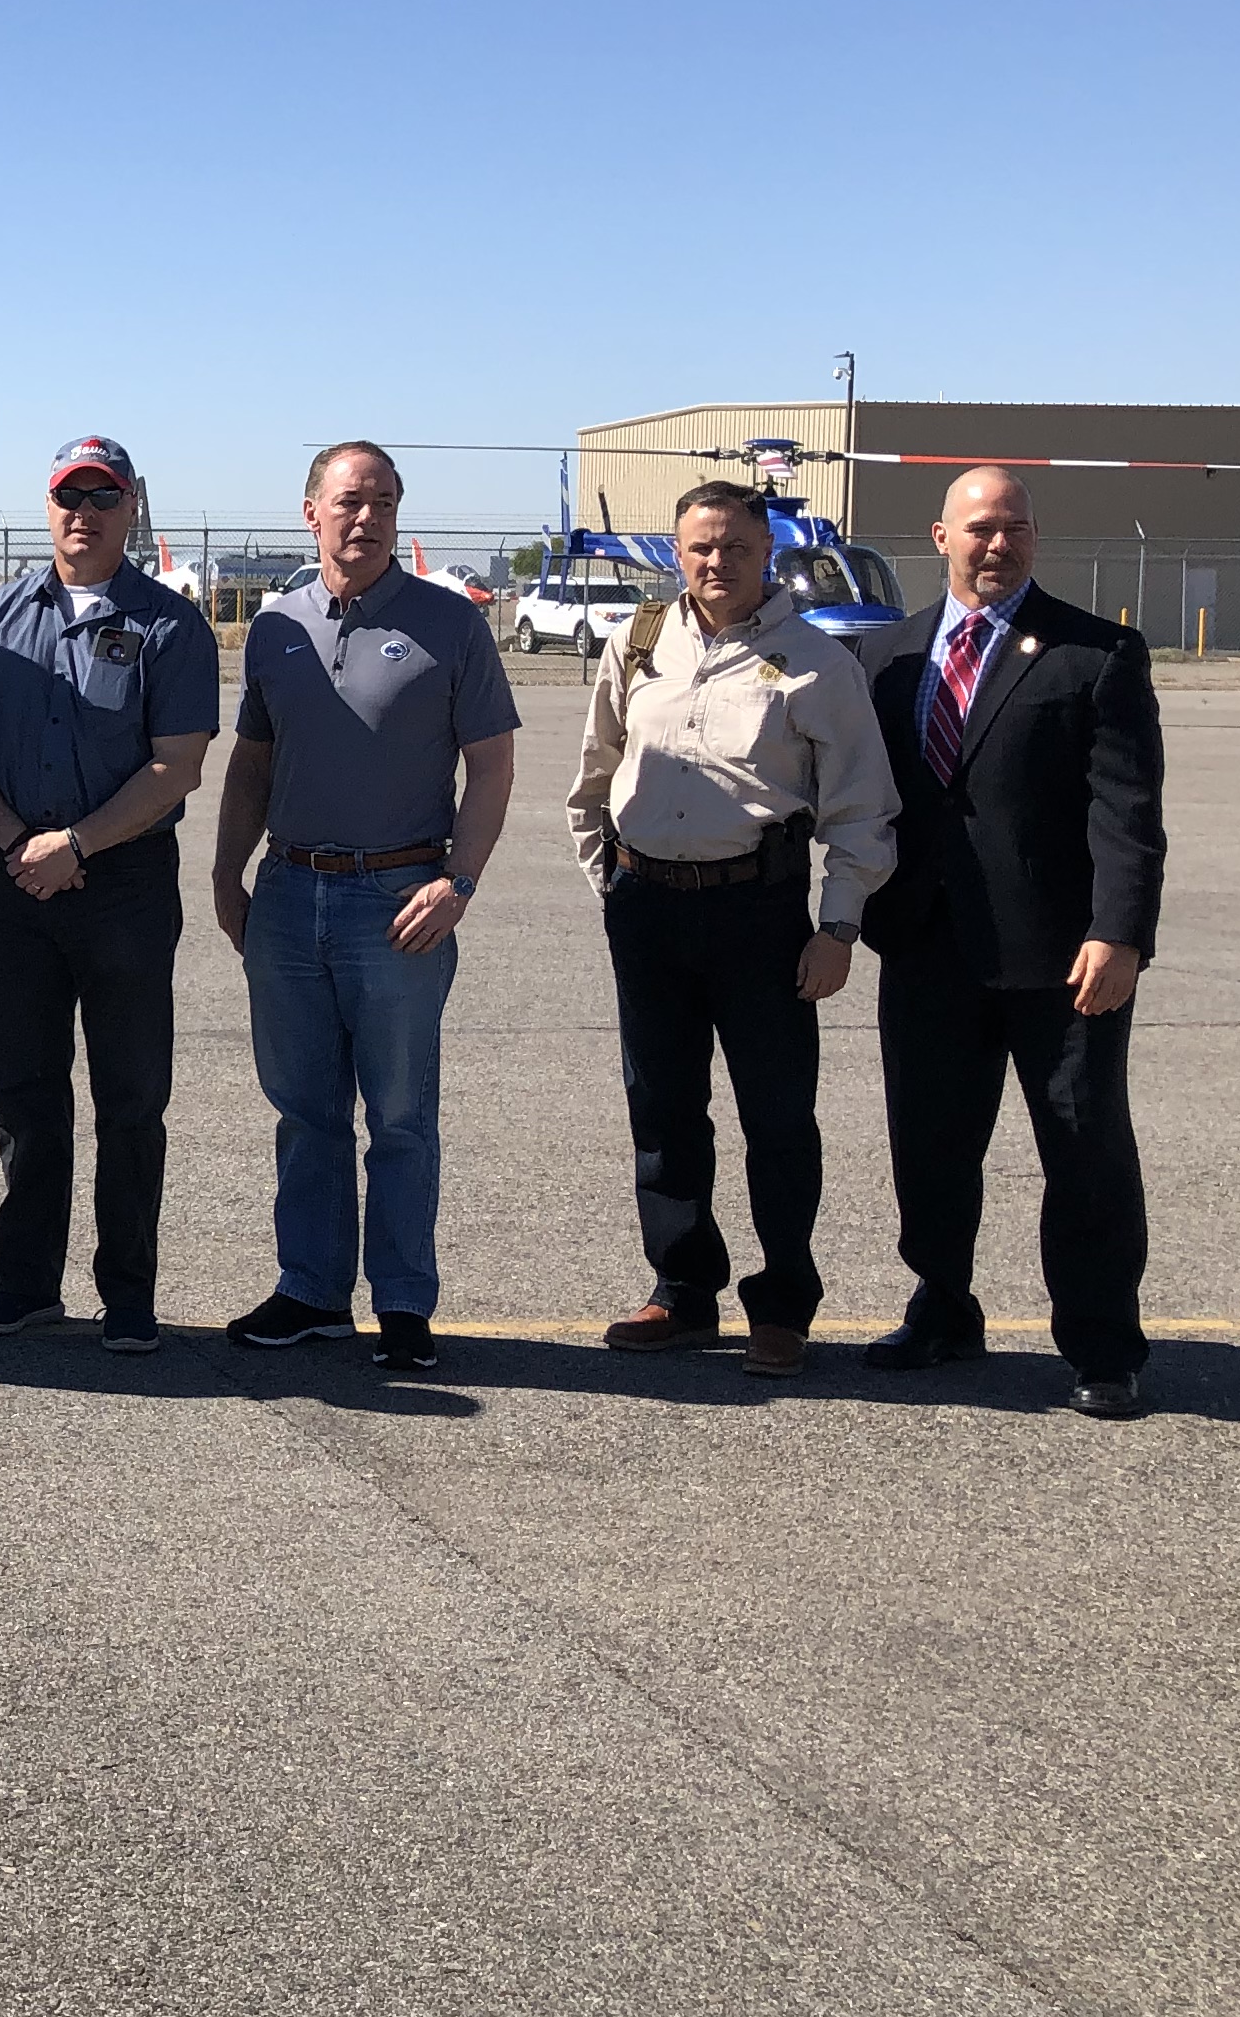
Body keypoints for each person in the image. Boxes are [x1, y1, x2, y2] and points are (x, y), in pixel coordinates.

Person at [561, 481, 897, 1378]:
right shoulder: (637, 645)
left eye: (737, 549)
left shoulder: (818, 664)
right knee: (664, 1111)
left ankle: (783, 1304)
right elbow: (595, 775)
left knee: (778, 1117)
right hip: (647, 910)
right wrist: (613, 884)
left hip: (759, 913)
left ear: (765, 555)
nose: (718, 564)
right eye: (702, 548)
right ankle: (682, 1291)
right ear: (679, 553)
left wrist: (838, 927)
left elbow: (863, 811)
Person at [859, 467, 1166, 1418]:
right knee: (931, 1145)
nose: (1001, 545)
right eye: (982, 529)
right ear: (940, 537)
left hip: (1063, 961)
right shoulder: (887, 659)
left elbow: (1128, 812)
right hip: (926, 948)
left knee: (1084, 1151)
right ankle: (943, 1307)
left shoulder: (1096, 653)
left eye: (1018, 530)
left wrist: (1120, 933)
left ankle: (1103, 1345)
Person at [208, 439, 518, 1370]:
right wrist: (230, 874)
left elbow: (493, 766)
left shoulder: (451, 626)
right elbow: (252, 762)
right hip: (292, 890)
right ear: (312, 512)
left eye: (384, 499)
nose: (367, 516)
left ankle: (403, 1301)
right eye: (350, 500)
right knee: (304, 1111)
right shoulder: (276, 628)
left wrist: (457, 883)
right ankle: (309, 1290)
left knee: (399, 1114)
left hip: (398, 898)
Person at [0, 436, 219, 1349]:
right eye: (69, 495)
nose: (83, 513)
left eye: (103, 496)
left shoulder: (172, 626)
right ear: (47, 504)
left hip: (123, 883)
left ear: (132, 504)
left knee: (131, 1099)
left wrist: (79, 842)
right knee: (23, 1090)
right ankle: (24, 1282)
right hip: (14, 880)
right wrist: (24, 845)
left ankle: (127, 1291)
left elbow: (176, 767)